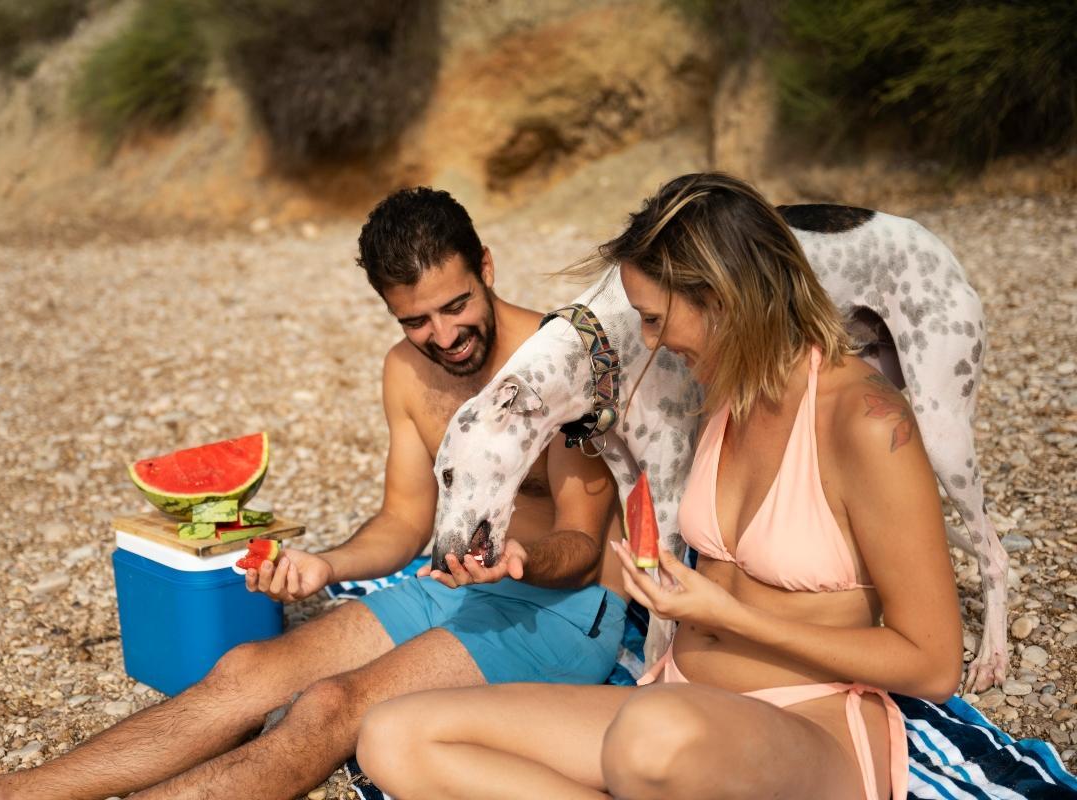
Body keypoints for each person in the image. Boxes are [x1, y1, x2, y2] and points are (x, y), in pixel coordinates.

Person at [0, 188, 626, 800]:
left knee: (329, 707)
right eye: (415, 319)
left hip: (560, 608)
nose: (442, 334)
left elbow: (584, 545)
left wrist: (522, 557)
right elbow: (404, 521)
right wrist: (324, 567)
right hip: (450, 587)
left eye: (455, 305)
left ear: (487, 267)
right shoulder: (406, 369)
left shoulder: (560, 363)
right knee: (244, 672)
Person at [355, 173, 963, 800]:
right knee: (392, 734)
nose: (649, 343)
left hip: (804, 723)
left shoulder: (867, 423)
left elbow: (935, 664)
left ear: (724, 299)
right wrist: (526, 557)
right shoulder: (720, 393)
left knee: (650, 734)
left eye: (652, 318)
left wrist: (729, 616)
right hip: (675, 704)